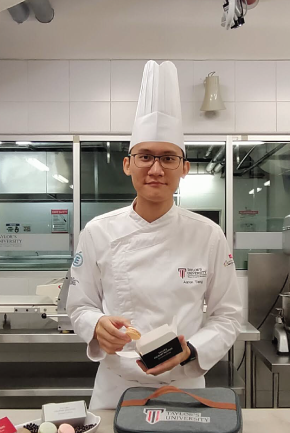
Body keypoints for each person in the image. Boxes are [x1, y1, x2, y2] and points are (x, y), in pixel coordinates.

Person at [66, 61, 243, 409]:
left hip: (185, 386)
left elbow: (228, 315)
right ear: (127, 164)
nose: (156, 169)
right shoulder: (98, 231)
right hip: (116, 389)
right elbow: (80, 306)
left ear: (185, 168)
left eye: (168, 158)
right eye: (145, 156)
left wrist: (191, 350)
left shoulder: (208, 235)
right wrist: (97, 324)